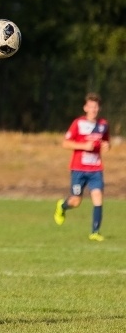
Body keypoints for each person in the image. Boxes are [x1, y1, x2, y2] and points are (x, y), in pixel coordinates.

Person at [53, 93, 110, 241]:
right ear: (85, 108)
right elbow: (65, 143)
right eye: (91, 106)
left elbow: (106, 142)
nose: (93, 109)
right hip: (78, 169)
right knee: (76, 201)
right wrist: (83, 145)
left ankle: (95, 232)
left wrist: (106, 146)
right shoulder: (78, 123)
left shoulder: (103, 125)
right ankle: (62, 206)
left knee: (98, 197)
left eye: (96, 107)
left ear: (99, 108)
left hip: (96, 169)